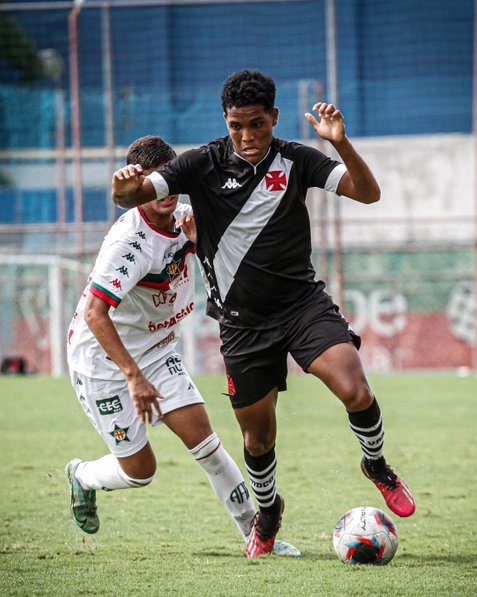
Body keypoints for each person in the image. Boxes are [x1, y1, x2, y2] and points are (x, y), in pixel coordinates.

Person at [111, 71, 415, 558]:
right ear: (225, 122)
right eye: (237, 126)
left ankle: (376, 465)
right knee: (257, 437)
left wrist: (342, 144)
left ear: (274, 117)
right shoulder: (200, 164)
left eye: (258, 124)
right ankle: (269, 512)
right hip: (241, 323)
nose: (248, 137)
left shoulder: (297, 160)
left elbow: (367, 192)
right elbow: (131, 198)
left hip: (302, 305)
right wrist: (124, 186)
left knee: (356, 390)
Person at [65, 134, 299, 556]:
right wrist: (132, 377)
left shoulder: (189, 219)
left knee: (206, 444)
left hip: (155, 350)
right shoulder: (128, 245)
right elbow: (94, 315)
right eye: (153, 184)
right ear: (138, 189)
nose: (166, 193)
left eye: (168, 181)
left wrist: (198, 242)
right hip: (102, 360)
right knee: (140, 471)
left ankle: (258, 537)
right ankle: (82, 475)